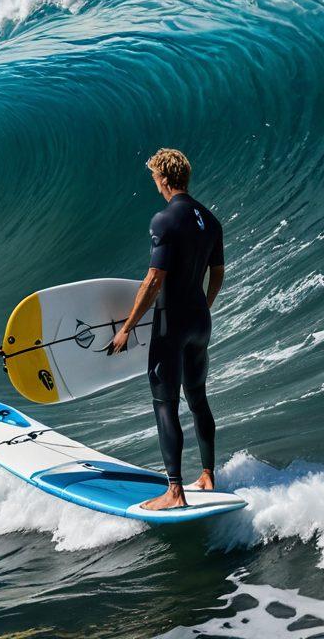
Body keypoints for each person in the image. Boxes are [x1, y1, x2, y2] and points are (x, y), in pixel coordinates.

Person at [109, 148, 225, 510]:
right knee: (198, 399)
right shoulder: (210, 219)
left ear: (163, 179)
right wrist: (203, 307)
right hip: (199, 322)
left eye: (154, 179)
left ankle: (174, 492)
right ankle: (207, 475)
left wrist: (127, 327)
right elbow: (217, 273)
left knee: (165, 404)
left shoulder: (164, 220)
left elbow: (154, 279)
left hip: (171, 325)